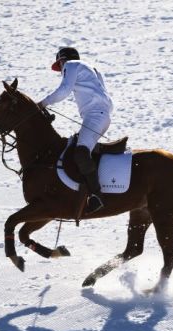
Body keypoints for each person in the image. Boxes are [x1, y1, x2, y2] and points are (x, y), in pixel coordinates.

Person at [37, 46, 113, 213]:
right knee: (76, 148)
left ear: (63, 60)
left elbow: (64, 90)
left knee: (80, 152)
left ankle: (96, 195)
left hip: (95, 116)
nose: (61, 69)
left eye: (60, 64)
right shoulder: (92, 69)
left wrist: (42, 104)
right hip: (100, 115)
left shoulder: (71, 65)